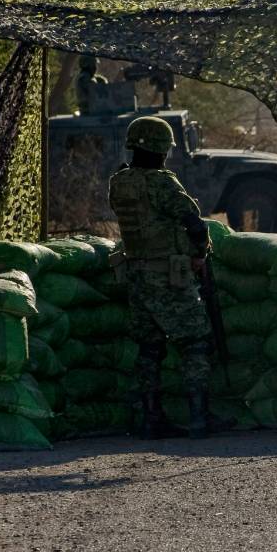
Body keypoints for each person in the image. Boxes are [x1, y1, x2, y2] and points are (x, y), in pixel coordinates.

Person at [108, 116, 227, 440]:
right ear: (162, 148)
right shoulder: (162, 182)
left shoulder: (119, 181)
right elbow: (193, 220)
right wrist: (201, 252)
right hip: (168, 276)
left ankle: (150, 418)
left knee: (149, 348)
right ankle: (200, 418)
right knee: (196, 342)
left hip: (135, 275)